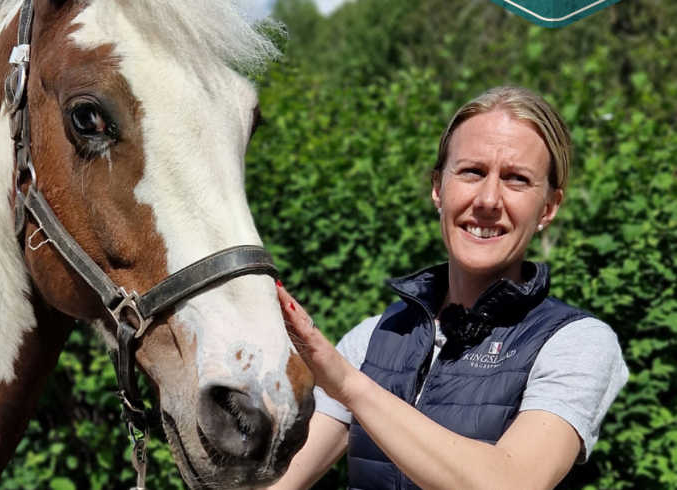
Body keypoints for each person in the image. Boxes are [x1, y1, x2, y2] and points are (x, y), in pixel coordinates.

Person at [269, 86, 628, 490]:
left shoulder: (576, 342)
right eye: (472, 172)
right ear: (438, 188)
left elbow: (514, 482)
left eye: (517, 179)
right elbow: (275, 483)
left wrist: (351, 387)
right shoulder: (374, 338)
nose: (489, 199)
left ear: (548, 207)